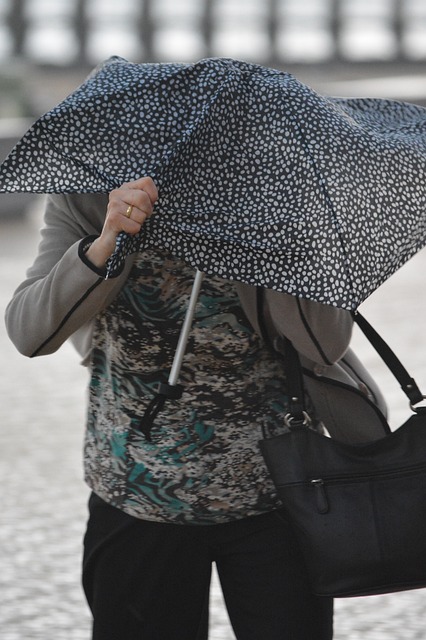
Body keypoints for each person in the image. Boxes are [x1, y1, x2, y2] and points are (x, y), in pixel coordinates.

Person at [5, 176, 389, 640]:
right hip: (136, 492)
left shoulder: (283, 196)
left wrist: (282, 239)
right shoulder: (87, 196)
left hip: (277, 492)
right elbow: (29, 332)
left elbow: (323, 344)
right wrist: (106, 243)